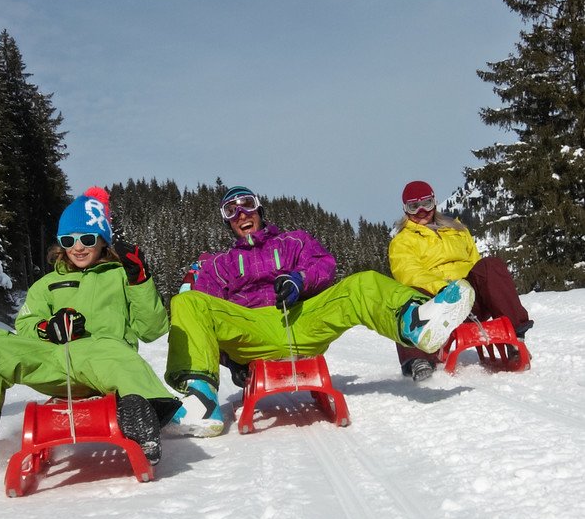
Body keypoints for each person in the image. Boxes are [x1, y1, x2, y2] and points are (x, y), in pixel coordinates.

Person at [0, 187, 181, 480]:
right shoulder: (48, 284)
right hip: (55, 361)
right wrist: (47, 327)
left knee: (110, 348)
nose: (78, 247)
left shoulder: (121, 276)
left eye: (87, 239)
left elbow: (153, 330)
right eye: (69, 240)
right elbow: (25, 325)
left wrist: (140, 280)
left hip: (105, 360)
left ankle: (146, 418)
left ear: (103, 241)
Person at [166, 186, 476, 437]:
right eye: (231, 210)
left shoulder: (293, 241)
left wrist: (299, 279)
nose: (241, 214)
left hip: (300, 318)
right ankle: (201, 402)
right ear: (227, 221)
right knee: (187, 301)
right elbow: (203, 321)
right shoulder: (219, 265)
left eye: (246, 204)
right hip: (251, 332)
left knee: (361, 283)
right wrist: (232, 361)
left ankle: (415, 322)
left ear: (259, 208)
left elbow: (324, 264)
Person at [388, 180, 532, 379]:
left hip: (470, 300)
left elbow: (476, 265)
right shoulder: (402, 242)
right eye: (414, 206)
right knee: (409, 295)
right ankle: (417, 359)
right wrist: (445, 289)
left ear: (435, 203)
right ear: (405, 209)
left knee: (490, 266)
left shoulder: (457, 229)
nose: (422, 211)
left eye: (427, 204)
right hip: (437, 305)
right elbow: (409, 273)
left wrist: (468, 288)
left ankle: (516, 337)